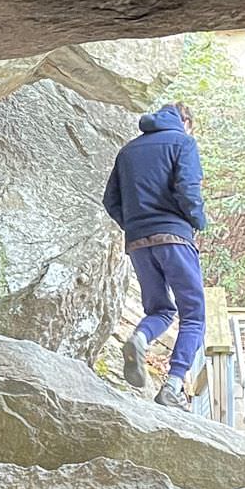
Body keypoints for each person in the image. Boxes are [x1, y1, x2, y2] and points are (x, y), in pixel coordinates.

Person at [102, 102, 207, 410]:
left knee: (160, 309)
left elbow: (111, 200)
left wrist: (134, 225)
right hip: (174, 236)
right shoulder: (183, 142)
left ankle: (140, 338)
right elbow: (188, 188)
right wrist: (197, 221)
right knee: (194, 315)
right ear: (185, 121)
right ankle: (173, 385)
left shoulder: (128, 151)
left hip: (138, 242)